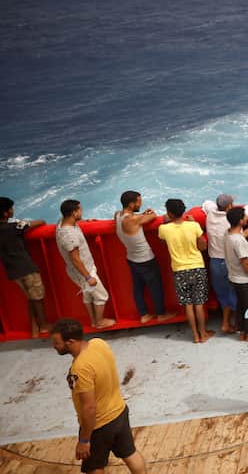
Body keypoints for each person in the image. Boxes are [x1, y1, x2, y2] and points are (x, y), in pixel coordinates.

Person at [51, 317, 147, 474]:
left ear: (70, 342)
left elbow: (89, 407)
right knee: (130, 454)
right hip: (120, 412)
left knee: (94, 468)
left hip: (100, 425)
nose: (54, 347)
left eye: (56, 343)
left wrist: (84, 440)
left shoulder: (80, 369)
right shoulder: (98, 343)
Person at [202, 194, 248, 333]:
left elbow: (206, 202)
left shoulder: (211, 215)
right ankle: (239, 327)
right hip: (229, 264)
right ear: (230, 207)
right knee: (237, 295)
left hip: (214, 262)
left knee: (224, 294)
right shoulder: (235, 229)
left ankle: (228, 323)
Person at [157, 198, 213, 344]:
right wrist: (194, 223)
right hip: (197, 267)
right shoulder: (193, 226)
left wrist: (165, 221)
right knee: (199, 303)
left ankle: (194, 335)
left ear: (169, 213)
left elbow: (163, 240)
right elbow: (202, 247)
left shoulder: (164, 229)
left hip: (179, 270)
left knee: (188, 304)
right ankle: (203, 334)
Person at [115, 191, 173, 324]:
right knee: (156, 287)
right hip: (145, 259)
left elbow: (137, 218)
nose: (140, 204)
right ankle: (161, 314)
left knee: (138, 288)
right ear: (131, 204)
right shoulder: (133, 219)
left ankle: (144, 314)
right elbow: (153, 216)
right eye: (138, 202)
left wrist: (141, 215)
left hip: (131, 258)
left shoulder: (118, 215)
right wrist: (149, 212)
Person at [56, 200, 115, 329]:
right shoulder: (69, 235)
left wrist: (83, 221)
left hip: (76, 271)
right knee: (101, 295)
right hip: (84, 271)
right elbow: (75, 259)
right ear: (73, 213)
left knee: (88, 294)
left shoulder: (61, 224)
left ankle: (94, 321)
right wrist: (88, 277)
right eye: (80, 210)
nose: (81, 212)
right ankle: (99, 322)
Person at [0, 196, 50, 337]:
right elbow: (41, 222)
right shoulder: (15, 227)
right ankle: (44, 326)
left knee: (31, 297)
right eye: (10, 209)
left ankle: (35, 328)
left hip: (12, 272)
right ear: (5, 213)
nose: (12, 210)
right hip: (26, 268)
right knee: (38, 297)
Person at [224, 206, 248, 342]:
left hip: (234, 277)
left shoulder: (228, 234)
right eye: (245, 217)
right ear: (240, 221)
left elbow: (243, 234)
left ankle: (242, 330)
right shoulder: (238, 241)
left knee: (241, 304)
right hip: (244, 279)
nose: (246, 218)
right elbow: (245, 262)